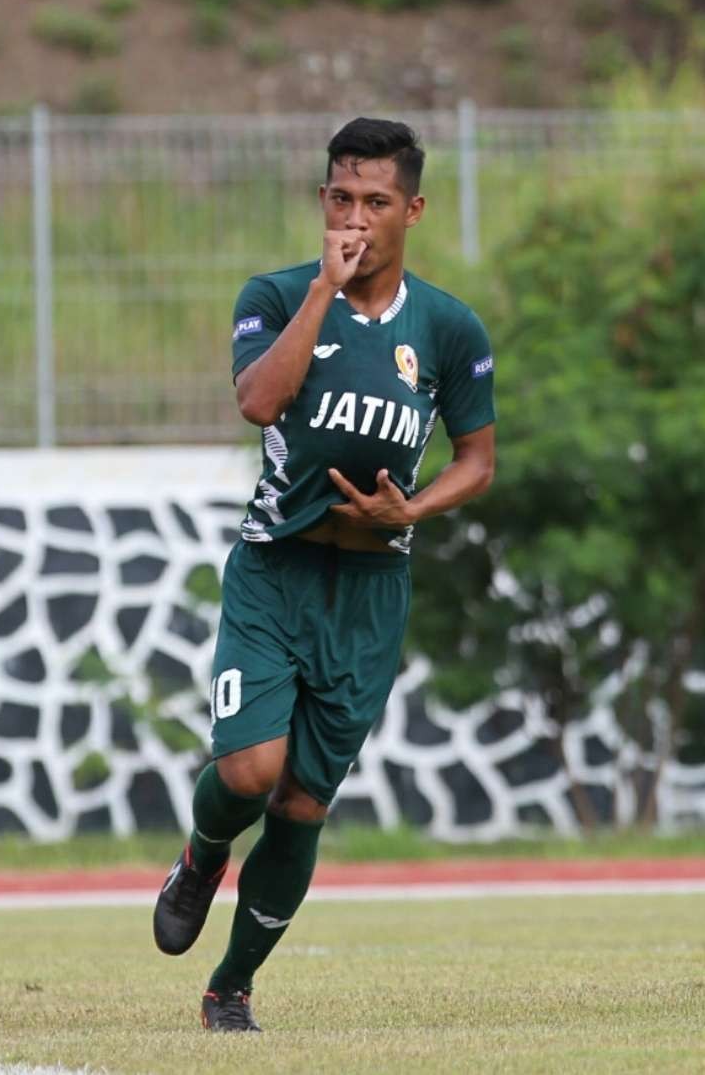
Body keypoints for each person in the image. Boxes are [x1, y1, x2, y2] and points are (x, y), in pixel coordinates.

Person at [150, 117, 497, 1033]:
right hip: (275, 570)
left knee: (304, 799)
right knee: (253, 769)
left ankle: (231, 988)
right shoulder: (273, 294)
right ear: (322, 202)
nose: (356, 217)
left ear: (411, 210)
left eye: (376, 202)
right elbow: (258, 400)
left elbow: (478, 459)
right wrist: (322, 294)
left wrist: (411, 512)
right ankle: (202, 851)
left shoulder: (449, 327)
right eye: (341, 198)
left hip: (371, 591)